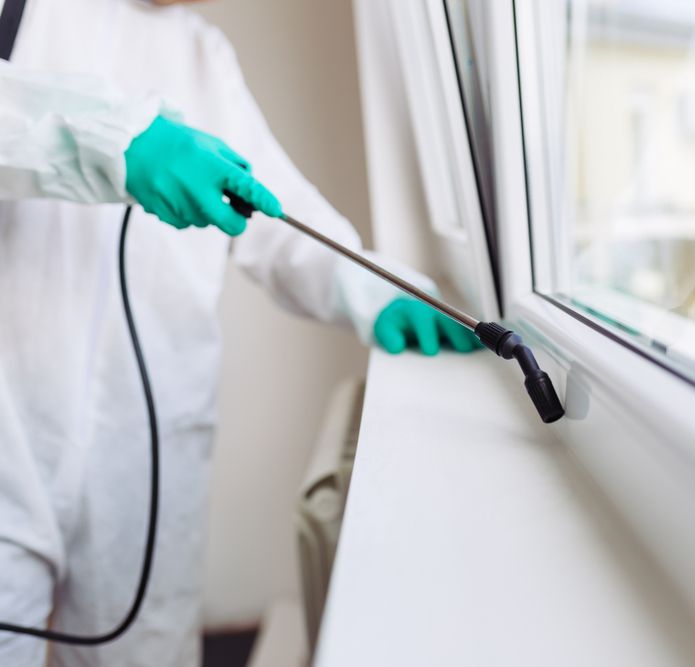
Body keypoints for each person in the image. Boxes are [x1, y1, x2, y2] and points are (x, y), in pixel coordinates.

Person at [0, 0, 478, 665]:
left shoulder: (198, 51)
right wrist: (106, 137)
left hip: (146, 449)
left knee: (148, 651)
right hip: (10, 443)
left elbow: (278, 213)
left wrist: (379, 292)